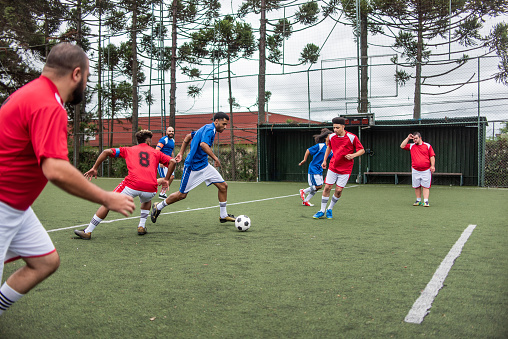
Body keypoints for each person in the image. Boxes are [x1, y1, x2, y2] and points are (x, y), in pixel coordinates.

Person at [0, 42, 135, 316]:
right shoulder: (48, 104)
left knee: (45, 261)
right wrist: (106, 197)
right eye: (86, 77)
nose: (85, 83)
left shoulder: (30, 93)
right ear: (76, 74)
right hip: (3, 205)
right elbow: (56, 170)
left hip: (16, 207)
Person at [74, 130, 177, 239]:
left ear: (138, 141)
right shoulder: (156, 152)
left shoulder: (128, 150)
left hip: (132, 186)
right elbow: (173, 162)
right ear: (148, 141)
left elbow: (106, 152)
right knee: (147, 199)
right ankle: (141, 226)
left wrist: (94, 168)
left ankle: (88, 231)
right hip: (151, 189)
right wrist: (166, 179)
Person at [150, 112, 235, 224]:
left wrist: (180, 152)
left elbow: (188, 136)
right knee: (182, 195)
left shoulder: (206, 128)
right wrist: (215, 158)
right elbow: (203, 145)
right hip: (192, 168)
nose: (225, 127)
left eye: (226, 124)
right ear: (216, 121)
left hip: (204, 165)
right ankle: (158, 206)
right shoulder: (209, 129)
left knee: (223, 186)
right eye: (223, 124)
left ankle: (223, 215)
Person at [313, 117, 365, 219]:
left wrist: (353, 155)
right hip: (333, 167)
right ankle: (321, 210)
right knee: (327, 187)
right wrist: (324, 160)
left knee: (338, 191)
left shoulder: (352, 137)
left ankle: (330, 209)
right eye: (334, 128)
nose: (335, 130)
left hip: (345, 169)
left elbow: (361, 150)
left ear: (343, 127)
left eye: (337, 127)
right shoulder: (332, 137)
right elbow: (329, 147)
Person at [298, 128, 333, 207]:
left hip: (319, 169)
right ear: (326, 138)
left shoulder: (331, 149)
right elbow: (308, 150)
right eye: (330, 136)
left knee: (317, 187)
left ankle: (306, 201)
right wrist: (304, 160)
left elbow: (332, 159)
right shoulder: (320, 146)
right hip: (313, 168)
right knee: (319, 186)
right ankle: (303, 191)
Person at [400, 132, 436, 207]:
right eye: (413, 139)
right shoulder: (411, 146)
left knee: (426, 186)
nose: (414, 140)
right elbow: (402, 146)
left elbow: (432, 156)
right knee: (416, 186)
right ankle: (418, 200)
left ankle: (426, 201)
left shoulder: (427, 146)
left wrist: (432, 166)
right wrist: (408, 138)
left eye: (416, 138)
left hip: (426, 170)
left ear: (420, 138)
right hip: (415, 170)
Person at [156, 126, 176, 199]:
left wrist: (174, 162)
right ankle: (149, 186)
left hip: (169, 162)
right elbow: (157, 150)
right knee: (165, 178)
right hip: (163, 162)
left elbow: (171, 152)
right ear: (166, 132)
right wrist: (160, 161)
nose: (171, 133)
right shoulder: (163, 140)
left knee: (171, 177)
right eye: (169, 131)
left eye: (172, 131)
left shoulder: (173, 141)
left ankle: (162, 193)